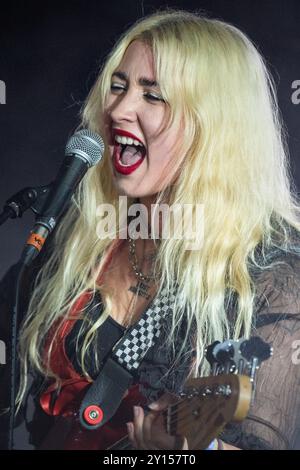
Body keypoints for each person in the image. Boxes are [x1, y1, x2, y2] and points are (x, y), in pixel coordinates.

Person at [1, 8, 300, 450]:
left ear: (212, 125)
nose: (118, 109)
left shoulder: (271, 279)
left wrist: (185, 451)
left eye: (152, 95)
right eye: (117, 87)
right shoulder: (74, 241)